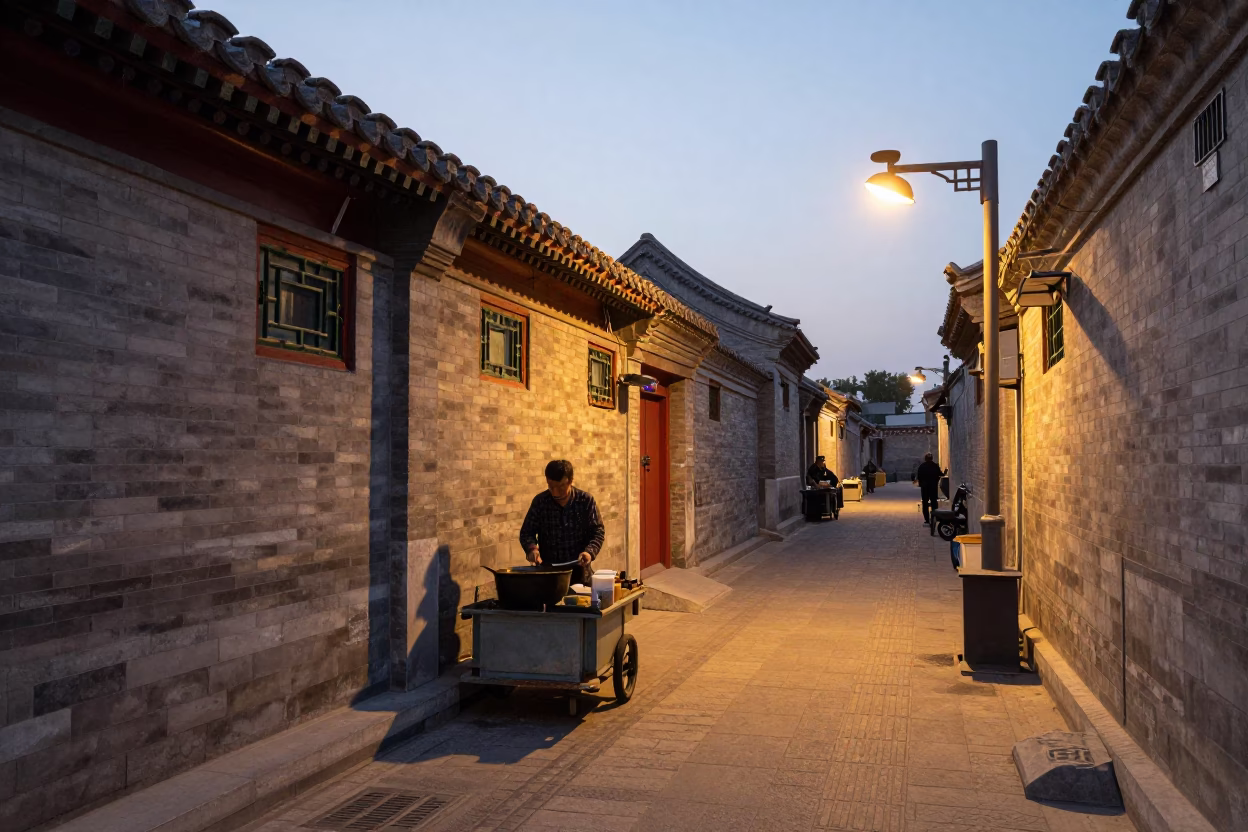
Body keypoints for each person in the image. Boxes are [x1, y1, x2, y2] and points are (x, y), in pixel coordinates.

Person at [519, 459, 604, 585]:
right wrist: (532, 550)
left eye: (561, 486)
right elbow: (527, 532)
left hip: (579, 573)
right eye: (551, 486)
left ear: (570, 480)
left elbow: (597, 532)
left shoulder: (585, 501)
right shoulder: (541, 502)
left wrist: (589, 552)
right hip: (549, 574)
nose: (555, 492)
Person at [915, 452, 946, 524]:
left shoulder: (922, 466)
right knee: (934, 503)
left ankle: (927, 520)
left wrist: (921, 484)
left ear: (925, 459)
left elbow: (919, 477)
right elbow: (940, 474)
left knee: (925, 503)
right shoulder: (935, 466)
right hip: (933, 487)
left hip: (925, 488)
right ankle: (934, 517)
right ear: (932, 458)